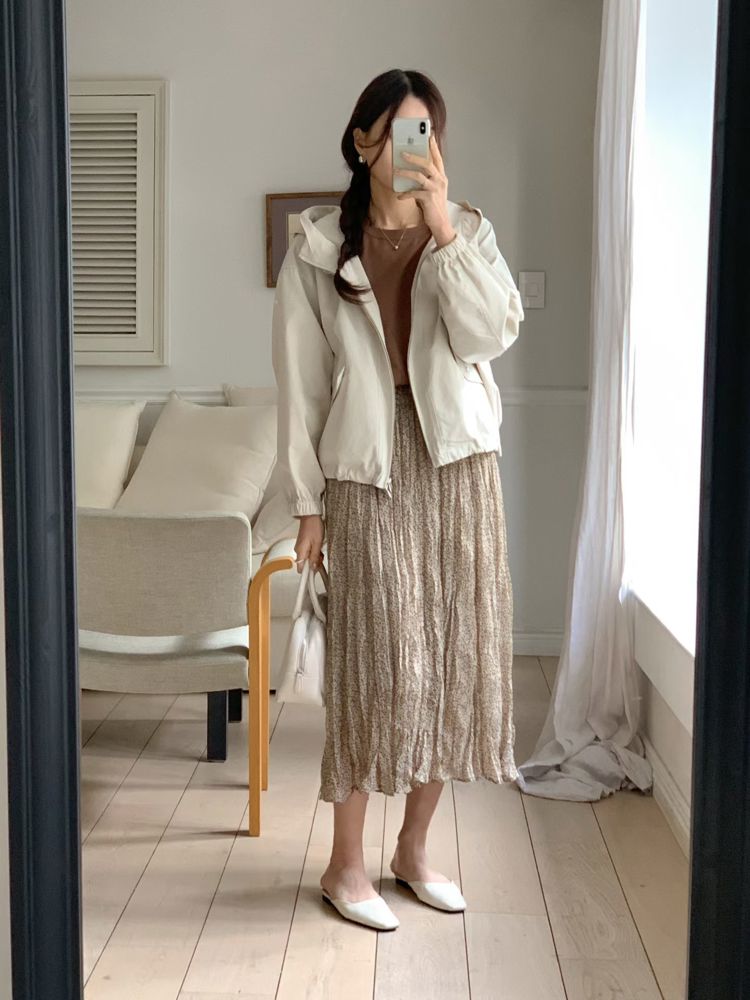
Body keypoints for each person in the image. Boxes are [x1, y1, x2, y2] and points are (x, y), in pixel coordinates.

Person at [271, 68, 524, 931]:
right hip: (366, 468)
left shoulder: (469, 232)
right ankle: (345, 865)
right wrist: (308, 504)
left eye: (428, 131)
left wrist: (444, 229)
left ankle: (413, 851)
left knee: (452, 661)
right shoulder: (316, 248)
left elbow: (490, 335)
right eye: (401, 131)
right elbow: (301, 388)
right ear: (362, 142)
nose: (417, 147)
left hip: (459, 465)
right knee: (376, 668)